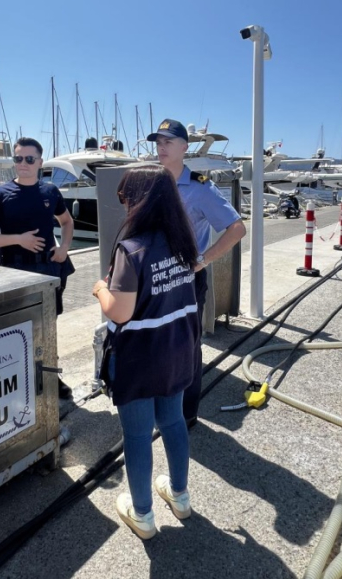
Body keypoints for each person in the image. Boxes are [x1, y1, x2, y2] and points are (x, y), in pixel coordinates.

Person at [92, 164, 199, 539]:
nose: (123, 204)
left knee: (137, 435)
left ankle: (143, 515)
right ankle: (180, 497)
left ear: (139, 201)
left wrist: (100, 289)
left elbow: (119, 311)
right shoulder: (183, 243)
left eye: (125, 197)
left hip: (140, 356)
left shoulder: (132, 249)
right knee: (173, 420)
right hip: (178, 348)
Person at [147, 119, 246, 423]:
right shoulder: (152, 181)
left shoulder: (201, 188)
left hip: (186, 280)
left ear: (184, 147)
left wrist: (202, 260)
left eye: (168, 142)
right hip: (156, 278)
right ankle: (162, 405)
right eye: (158, 142)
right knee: (157, 343)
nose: (161, 148)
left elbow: (236, 228)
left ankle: (186, 415)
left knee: (187, 348)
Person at [0, 137, 75, 398]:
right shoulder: (0, 194)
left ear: (40, 162)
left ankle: (51, 378)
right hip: (13, 272)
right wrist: (18, 239)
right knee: (15, 327)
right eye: (18, 158)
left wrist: (64, 248)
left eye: (30, 159)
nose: (23, 163)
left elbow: (66, 222)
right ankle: (17, 379)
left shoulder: (50, 191)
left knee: (48, 326)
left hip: (48, 270)